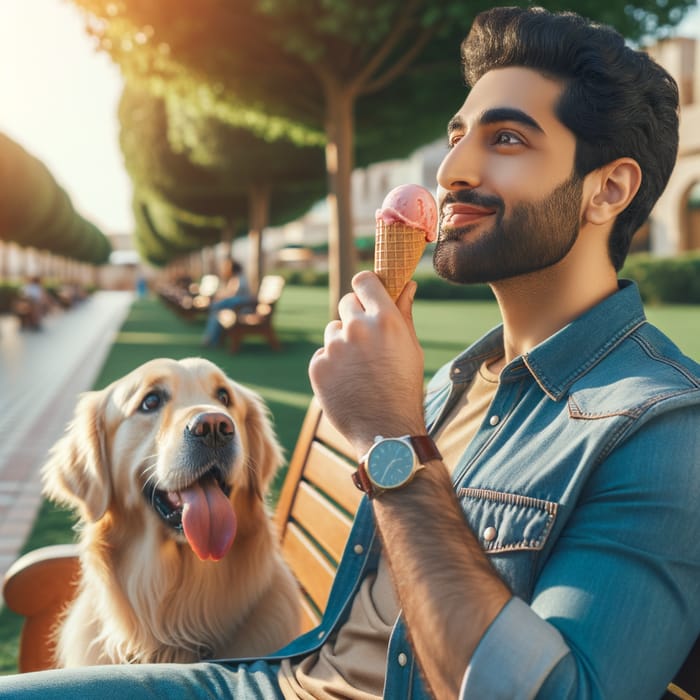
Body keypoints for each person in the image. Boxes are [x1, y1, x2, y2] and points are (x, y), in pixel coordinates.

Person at [2, 6, 699, 699]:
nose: (452, 168)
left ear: (608, 188)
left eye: (507, 139)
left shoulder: (661, 428)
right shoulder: (454, 385)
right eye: (456, 136)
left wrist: (394, 438)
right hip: (277, 678)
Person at [201, 258, 252, 347]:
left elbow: (233, 294)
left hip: (242, 309)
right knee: (216, 315)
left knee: (217, 308)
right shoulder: (235, 279)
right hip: (236, 308)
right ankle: (211, 340)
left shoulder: (240, 279)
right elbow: (229, 293)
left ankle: (210, 340)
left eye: (226, 268)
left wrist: (219, 298)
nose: (224, 270)